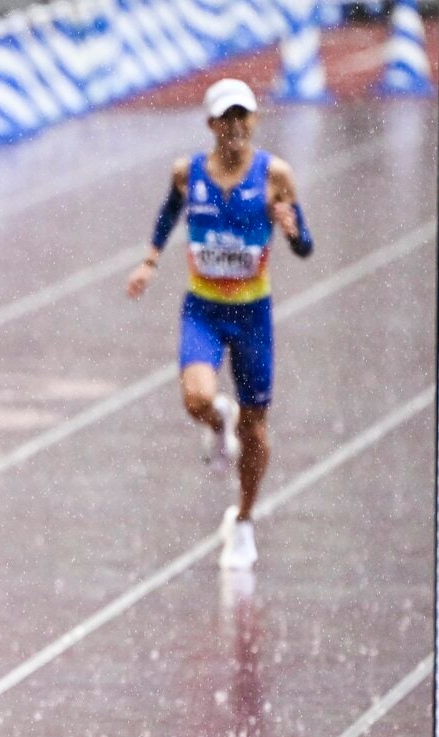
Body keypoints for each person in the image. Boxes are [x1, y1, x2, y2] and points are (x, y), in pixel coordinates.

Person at [125, 77, 314, 571]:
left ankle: (244, 520)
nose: (234, 127)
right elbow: (169, 212)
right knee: (197, 398)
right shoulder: (188, 173)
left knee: (257, 427)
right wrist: (150, 259)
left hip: (253, 316)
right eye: (225, 118)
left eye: (242, 117)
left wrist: (293, 232)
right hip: (204, 310)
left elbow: (305, 245)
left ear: (254, 120)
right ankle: (216, 419)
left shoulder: (276, 176)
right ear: (210, 124)